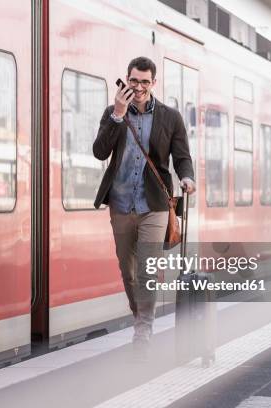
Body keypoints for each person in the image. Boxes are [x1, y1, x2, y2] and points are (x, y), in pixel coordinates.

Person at [93, 56, 195, 349]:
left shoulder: (170, 117)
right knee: (129, 271)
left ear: (154, 83)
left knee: (149, 268)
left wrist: (186, 178)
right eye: (134, 81)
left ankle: (143, 331)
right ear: (126, 79)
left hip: (155, 204)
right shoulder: (113, 113)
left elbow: (182, 157)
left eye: (144, 82)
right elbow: (100, 152)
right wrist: (118, 113)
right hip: (121, 203)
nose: (138, 87)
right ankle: (141, 317)